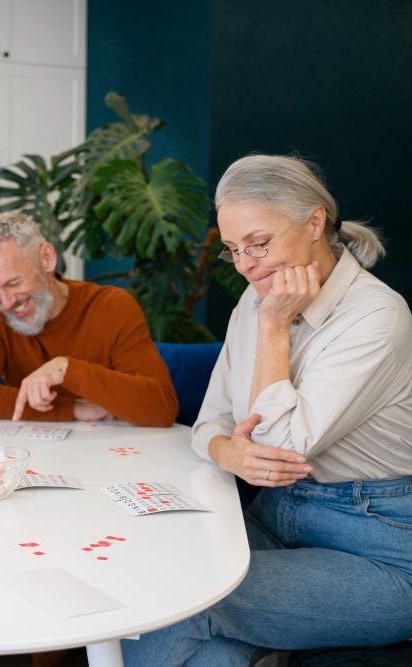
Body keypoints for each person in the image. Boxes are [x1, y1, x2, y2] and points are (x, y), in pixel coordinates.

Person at [122, 155, 412, 666]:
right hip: (276, 516)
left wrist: (275, 327)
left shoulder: (377, 316)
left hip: (378, 547)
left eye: (259, 243)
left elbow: (277, 447)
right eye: (234, 249)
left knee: (181, 594)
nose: (246, 265)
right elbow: (211, 422)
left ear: (315, 221)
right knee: (171, 595)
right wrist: (229, 455)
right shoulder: (253, 300)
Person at [0, 212, 178, 427]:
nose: (7, 302)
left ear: (47, 259)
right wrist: (70, 409)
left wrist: (66, 369)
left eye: (14, 283)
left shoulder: (112, 306)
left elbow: (162, 407)